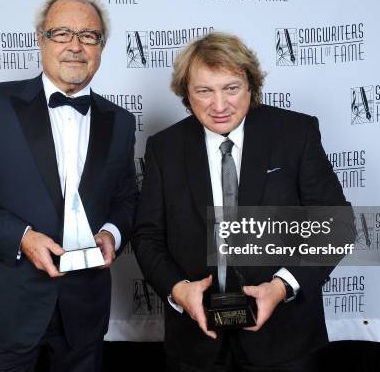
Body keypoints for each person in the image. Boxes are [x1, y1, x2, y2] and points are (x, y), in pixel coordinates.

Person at [0, 0, 138, 372]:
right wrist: (22, 237)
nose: (75, 46)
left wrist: (111, 233)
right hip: (6, 307)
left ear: (101, 46)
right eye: (61, 33)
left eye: (88, 35)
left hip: (84, 311)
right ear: (40, 40)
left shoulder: (121, 121)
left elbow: (126, 198)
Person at [131, 32, 351, 371]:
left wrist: (281, 287)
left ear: (251, 86)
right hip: (195, 343)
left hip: (285, 339)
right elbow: (147, 237)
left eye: (231, 88)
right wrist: (178, 290)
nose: (219, 106)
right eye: (204, 91)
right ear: (186, 94)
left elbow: (336, 226)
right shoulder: (165, 147)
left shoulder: (296, 134)